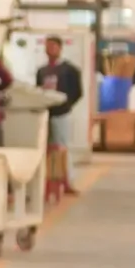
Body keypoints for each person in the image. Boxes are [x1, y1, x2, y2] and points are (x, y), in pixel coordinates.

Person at [35, 36, 84, 199]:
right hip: (45, 113)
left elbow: (77, 92)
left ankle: (67, 180)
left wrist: (66, 104)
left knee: (62, 147)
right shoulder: (42, 71)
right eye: (47, 46)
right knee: (46, 148)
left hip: (62, 113)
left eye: (53, 46)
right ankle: (48, 180)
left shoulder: (70, 70)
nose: (50, 50)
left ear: (60, 48)